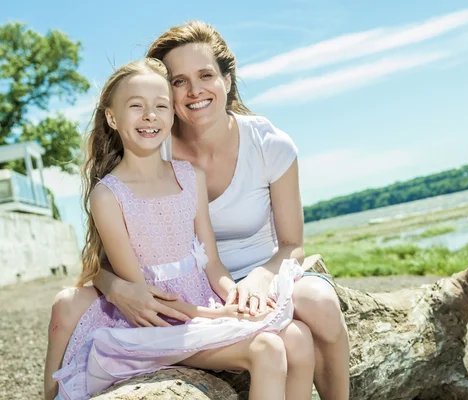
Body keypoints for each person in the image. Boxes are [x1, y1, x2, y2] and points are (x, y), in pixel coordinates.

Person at [47, 21, 350, 400]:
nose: (194, 91)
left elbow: (292, 245)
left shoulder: (267, 144)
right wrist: (114, 286)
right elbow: (119, 257)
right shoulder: (154, 147)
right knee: (291, 342)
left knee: (320, 306)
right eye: (177, 81)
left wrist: (257, 280)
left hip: (258, 273)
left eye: (205, 75)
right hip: (194, 295)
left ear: (227, 79)